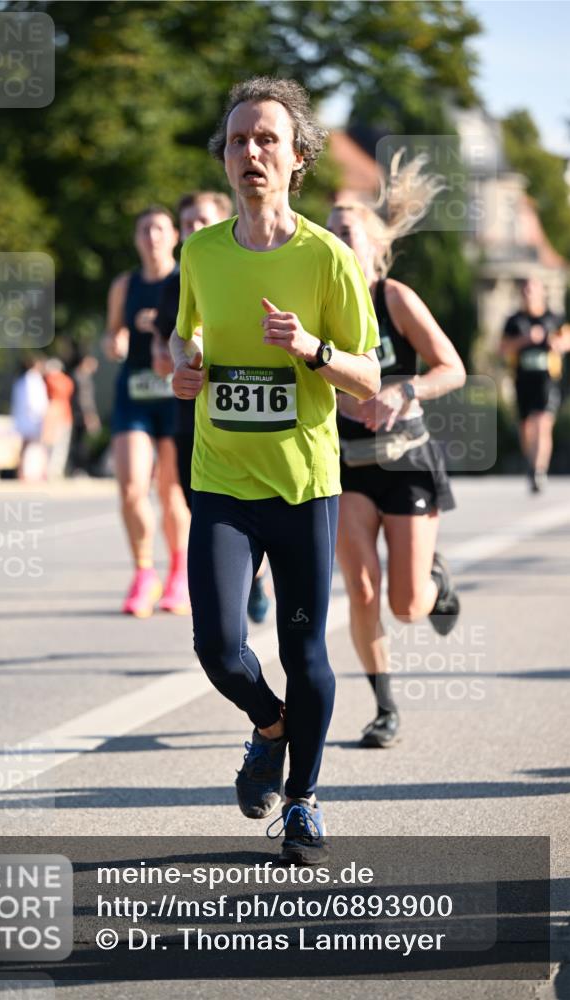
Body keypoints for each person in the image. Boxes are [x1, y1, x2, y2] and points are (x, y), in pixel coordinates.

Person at [170, 77, 380, 863]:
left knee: (305, 655)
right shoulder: (201, 251)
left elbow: (367, 377)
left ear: (297, 160)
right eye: (236, 140)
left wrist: (311, 351)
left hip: (300, 485)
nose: (249, 151)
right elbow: (184, 338)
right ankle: (270, 726)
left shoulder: (326, 259)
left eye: (265, 139)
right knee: (219, 648)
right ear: (223, 158)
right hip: (222, 478)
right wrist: (180, 368)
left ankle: (302, 801)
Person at [327, 150, 466, 750]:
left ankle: (436, 579)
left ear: (374, 246)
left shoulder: (395, 299)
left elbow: (452, 368)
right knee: (360, 591)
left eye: (347, 229)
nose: (336, 237)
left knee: (408, 606)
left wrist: (404, 390)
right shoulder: (317, 311)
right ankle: (384, 706)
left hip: (406, 461)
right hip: (347, 468)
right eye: (328, 231)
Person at [153, 190, 272, 625]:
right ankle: (248, 584)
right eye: (187, 224)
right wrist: (178, 360)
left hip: (253, 416)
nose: (194, 231)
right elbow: (170, 341)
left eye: (203, 221)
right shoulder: (174, 283)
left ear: (225, 221)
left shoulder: (247, 265)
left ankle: (248, 582)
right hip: (194, 417)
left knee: (251, 513)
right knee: (198, 506)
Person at [104, 206, 190, 617]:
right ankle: (143, 572)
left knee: (171, 490)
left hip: (174, 392)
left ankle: (178, 572)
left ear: (173, 235)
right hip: (134, 393)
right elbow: (112, 334)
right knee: (131, 487)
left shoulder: (185, 279)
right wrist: (116, 343)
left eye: (159, 229)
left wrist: (162, 324)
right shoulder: (125, 284)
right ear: (137, 238)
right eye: (144, 230)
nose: (152, 237)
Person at [500, 278, 569, 493]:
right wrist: (526, 340)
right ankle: (532, 462)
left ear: (542, 293)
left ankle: (539, 470)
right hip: (522, 379)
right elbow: (502, 349)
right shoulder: (514, 321)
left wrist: (555, 343)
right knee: (526, 428)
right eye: (526, 291)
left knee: (543, 423)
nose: (529, 295)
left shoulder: (554, 318)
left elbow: (566, 341)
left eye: (533, 290)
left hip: (547, 380)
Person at [11, 353, 48, 481]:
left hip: (28, 418)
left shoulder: (24, 379)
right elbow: (34, 401)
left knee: (28, 446)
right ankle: (29, 472)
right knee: (32, 445)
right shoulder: (32, 379)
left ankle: (27, 471)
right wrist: (42, 413)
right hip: (32, 418)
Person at [42, 358, 74, 479]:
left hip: (56, 414)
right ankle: (54, 470)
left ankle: (52, 470)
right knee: (58, 445)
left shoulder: (51, 380)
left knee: (54, 444)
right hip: (62, 414)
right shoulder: (67, 381)